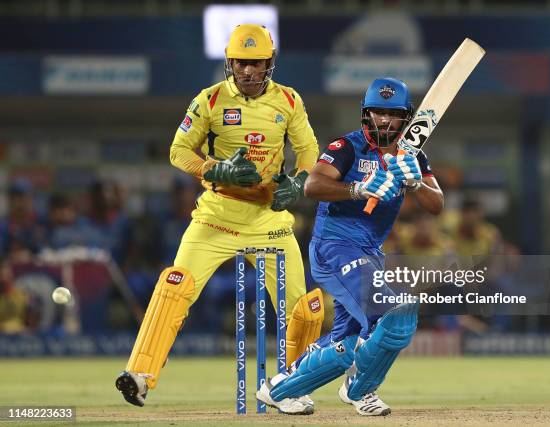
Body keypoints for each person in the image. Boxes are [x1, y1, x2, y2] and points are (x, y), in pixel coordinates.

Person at [115, 24, 324, 411]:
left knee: (301, 307)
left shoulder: (290, 102)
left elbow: (309, 150)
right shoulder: (209, 101)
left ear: (269, 64)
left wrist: (297, 184)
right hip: (215, 218)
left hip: (269, 222)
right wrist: (215, 170)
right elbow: (179, 151)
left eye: (256, 63)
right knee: (175, 286)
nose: (248, 71)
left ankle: (294, 386)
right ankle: (139, 376)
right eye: (241, 63)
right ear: (230, 62)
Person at [256, 77, 444, 415]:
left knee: (347, 340)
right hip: (334, 247)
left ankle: (280, 389)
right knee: (396, 312)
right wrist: (359, 190)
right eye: (378, 113)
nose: (385, 121)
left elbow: (437, 204)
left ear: (406, 118)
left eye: (393, 114)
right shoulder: (347, 147)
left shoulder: (413, 156)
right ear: (366, 115)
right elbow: (313, 186)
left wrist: (415, 182)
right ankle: (360, 390)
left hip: (369, 253)